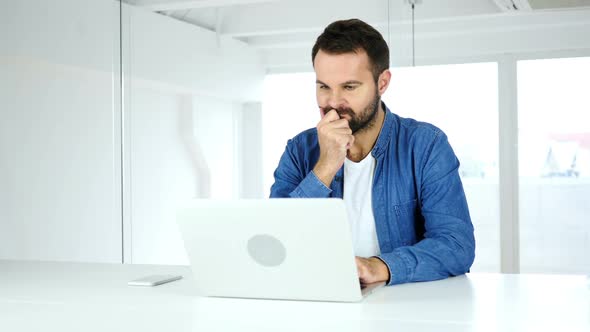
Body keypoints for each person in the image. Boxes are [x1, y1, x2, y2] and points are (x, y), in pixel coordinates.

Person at [269, 19, 475, 286]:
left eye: (349, 87)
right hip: (319, 301)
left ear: (382, 83)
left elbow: (457, 246)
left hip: (402, 308)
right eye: (323, 86)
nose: (333, 102)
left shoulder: (426, 145)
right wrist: (326, 166)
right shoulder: (298, 150)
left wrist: (379, 267)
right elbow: (276, 243)